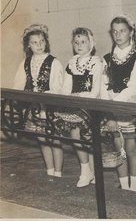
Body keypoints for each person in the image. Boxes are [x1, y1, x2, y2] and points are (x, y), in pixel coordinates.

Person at [13, 24, 64, 178]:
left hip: (50, 107)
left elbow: (58, 87)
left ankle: (58, 173)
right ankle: (50, 172)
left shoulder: (54, 62)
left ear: (46, 42)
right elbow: (18, 84)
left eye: (42, 41)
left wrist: (43, 94)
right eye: (35, 42)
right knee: (42, 139)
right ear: (28, 45)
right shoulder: (25, 63)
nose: (39, 45)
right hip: (34, 108)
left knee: (54, 139)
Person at [101, 14, 136, 192]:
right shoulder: (107, 58)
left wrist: (115, 105)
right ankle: (124, 186)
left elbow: (132, 87)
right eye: (115, 32)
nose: (118, 35)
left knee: (131, 147)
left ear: (131, 32)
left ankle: (134, 187)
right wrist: (108, 111)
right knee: (119, 148)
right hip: (111, 108)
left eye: (123, 31)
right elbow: (103, 86)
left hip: (129, 106)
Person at [58, 28, 102, 187]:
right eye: (76, 42)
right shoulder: (71, 64)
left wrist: (80, 98)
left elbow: (96, 91)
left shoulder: (97, 63)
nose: (79, 45)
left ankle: (95, 172)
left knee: (90, 138)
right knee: (75, 135)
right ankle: (85, 169)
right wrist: (69, 98)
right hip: (75, 106)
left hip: (90, 105)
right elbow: (65, 88)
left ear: (91, 43)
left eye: (83, 41)